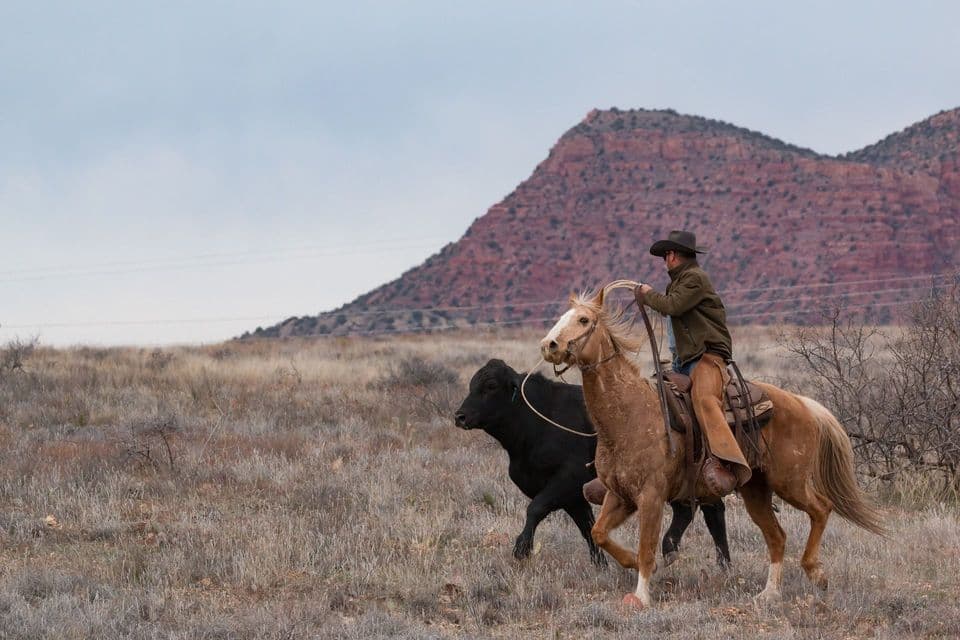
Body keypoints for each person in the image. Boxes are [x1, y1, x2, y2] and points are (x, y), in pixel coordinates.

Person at [634, 230, 751, 497]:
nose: (665, 261)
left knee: (704, 400)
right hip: (684, 360)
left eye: (666, 256)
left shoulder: (695, 279)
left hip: (708, 356)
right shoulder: (679, 281)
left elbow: (673, 306)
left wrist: (647, 294)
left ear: (673, 255)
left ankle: (727, 463)